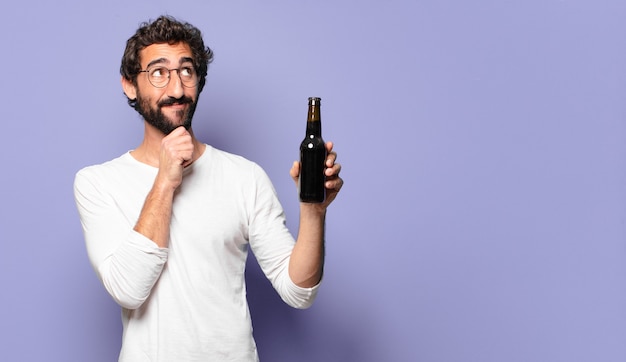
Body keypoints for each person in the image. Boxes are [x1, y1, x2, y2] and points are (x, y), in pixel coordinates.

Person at [73, 15, 343, 361]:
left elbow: (299, 292)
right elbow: (128, 290)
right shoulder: (97, 183)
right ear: (129, 85)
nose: (176, 89)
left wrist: (313, 211)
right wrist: (166, 179)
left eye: (186, 71)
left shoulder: (244, 177)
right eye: (158, 72)